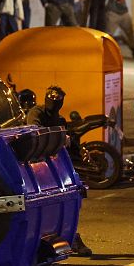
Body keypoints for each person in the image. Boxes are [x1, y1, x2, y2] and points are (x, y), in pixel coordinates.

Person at [25, 86, 91, 257]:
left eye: (58, 98)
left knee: (70, 201)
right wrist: (59, 137)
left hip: (55, 168)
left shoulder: (59, 119)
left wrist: (80, 150)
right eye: (52, 97)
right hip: (36, 168)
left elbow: (69, 140)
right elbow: (35, 132)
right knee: (44, 207)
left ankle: (72, 236)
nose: (54, 101)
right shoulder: (36, 113)